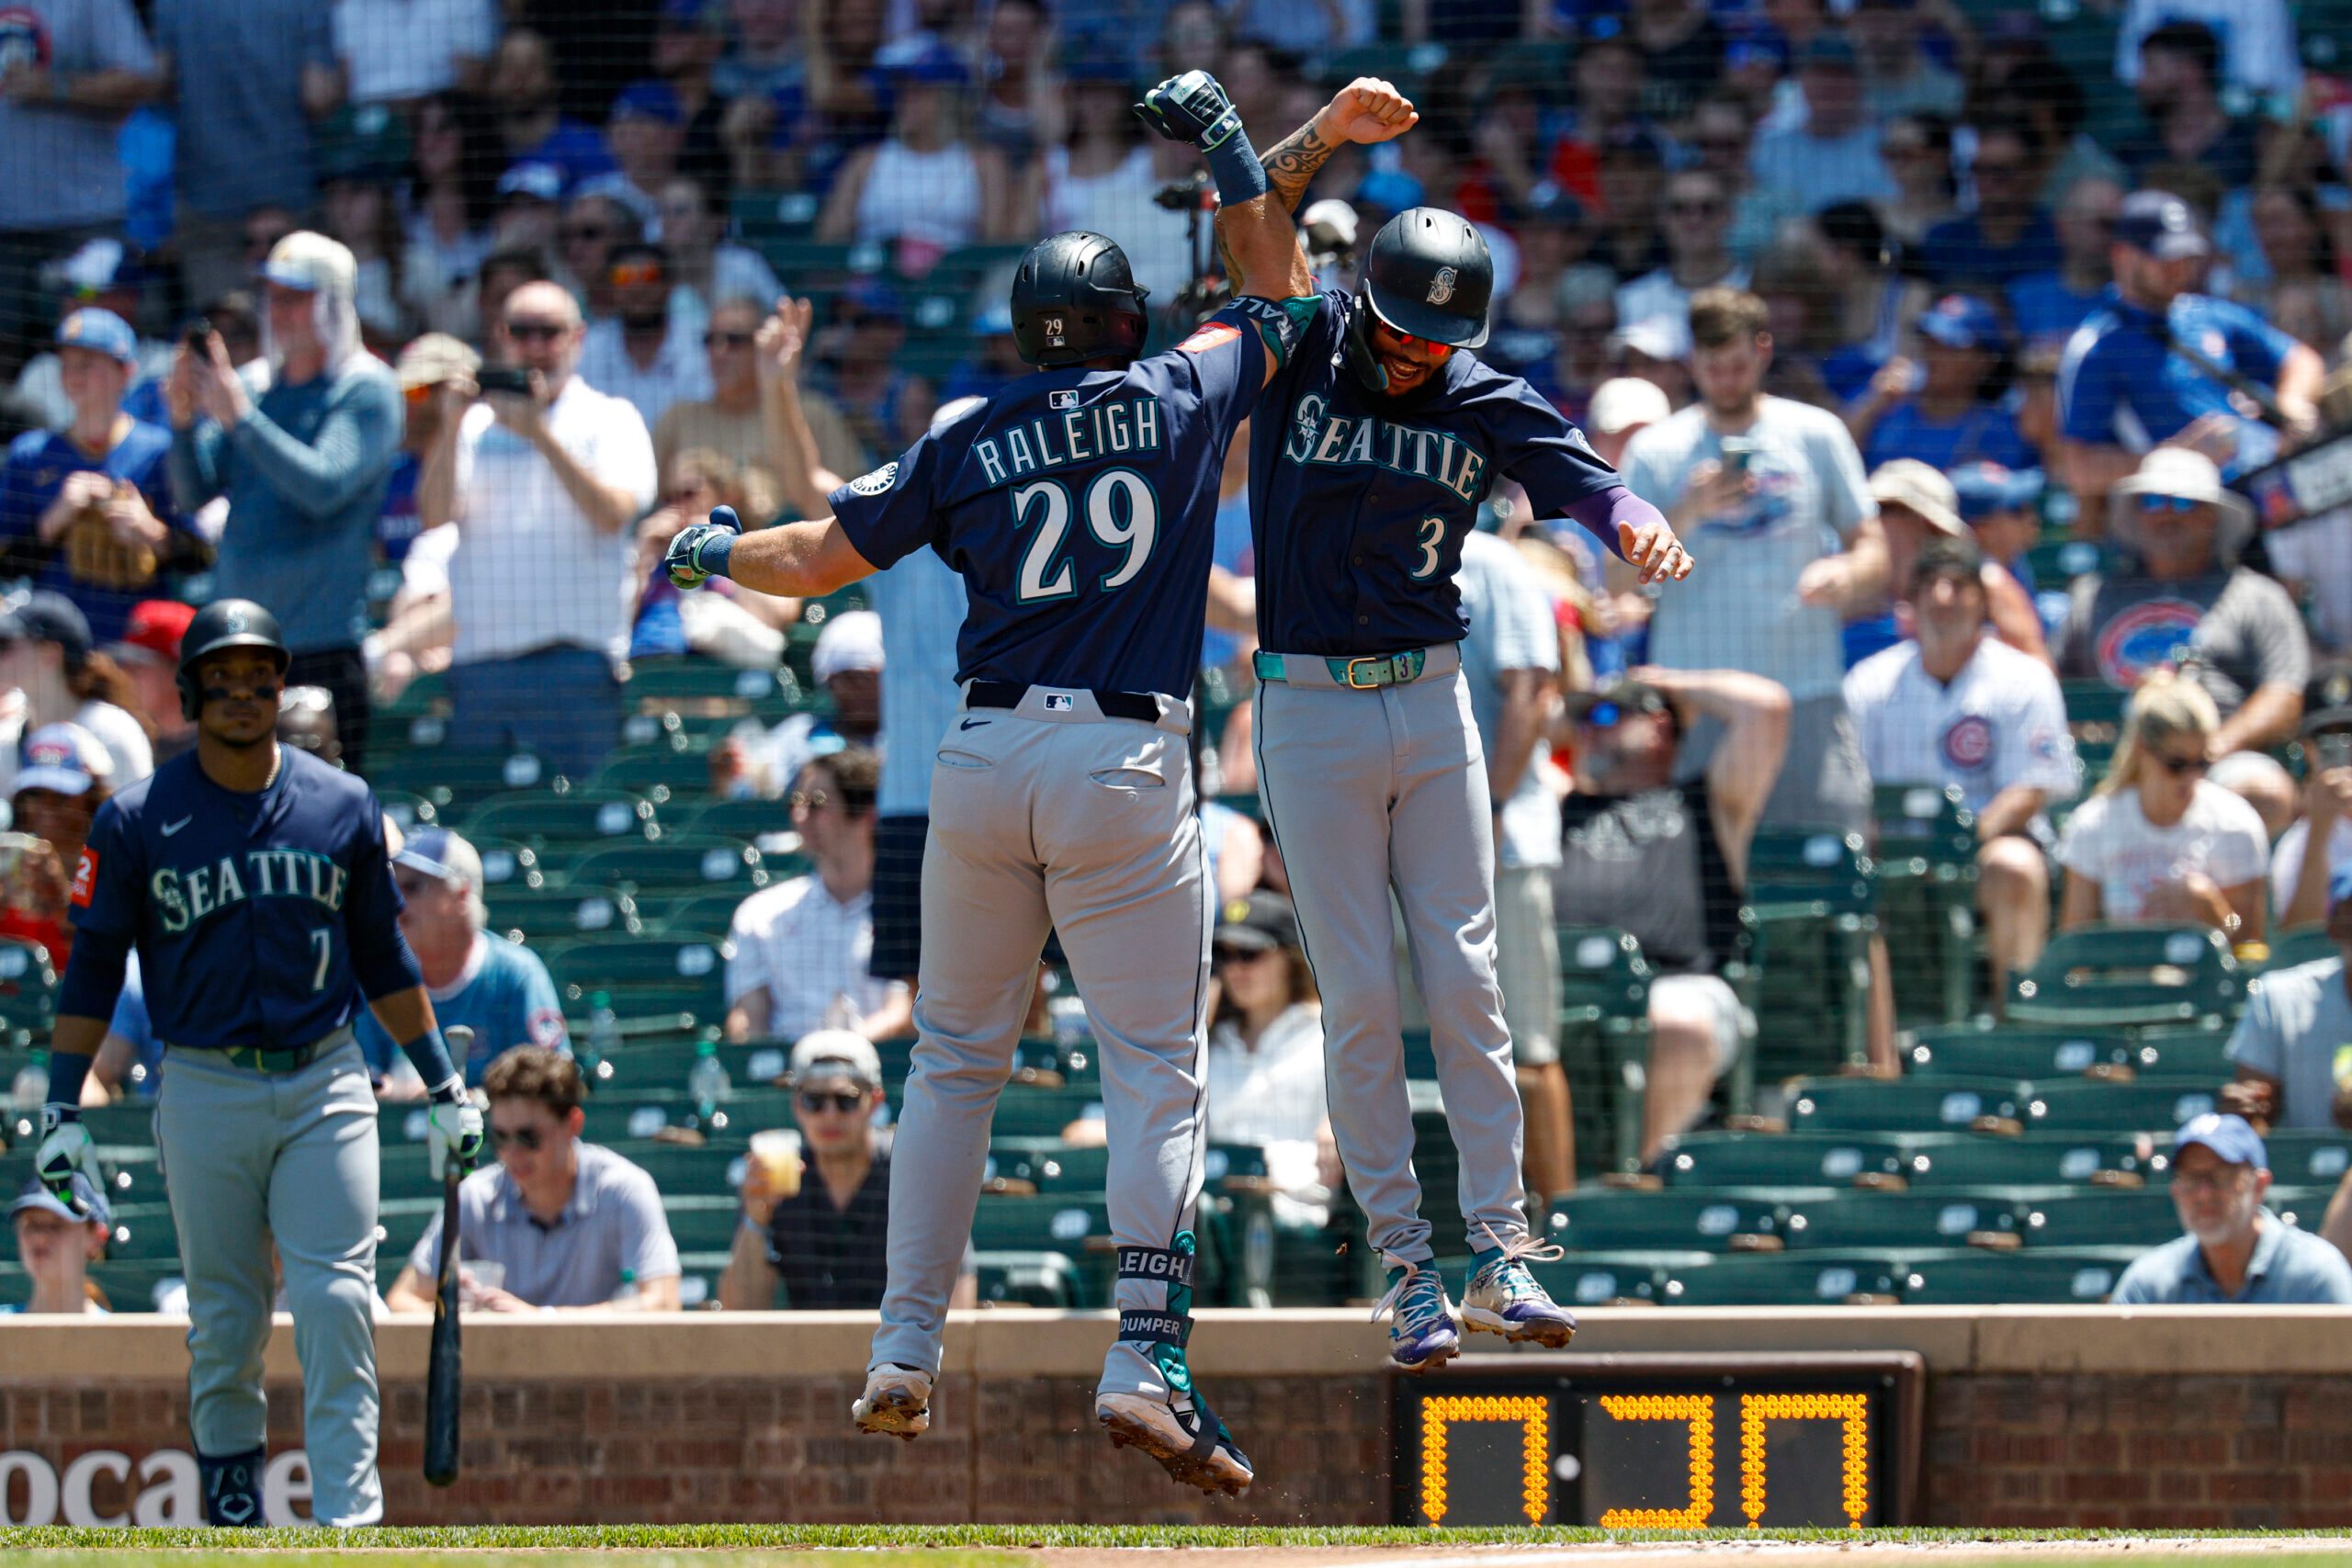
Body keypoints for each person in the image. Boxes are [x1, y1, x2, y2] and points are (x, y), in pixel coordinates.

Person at [662, 68, 1385, 1496]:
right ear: (1125, 322)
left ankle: (904, 1343)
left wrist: (706, 551)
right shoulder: (1181, 387)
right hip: (1124, 756)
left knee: (949, 1064)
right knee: (1152, 1071)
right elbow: (1272, 278)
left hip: (981, 758)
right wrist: (1237, 142)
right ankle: (1145, 1352)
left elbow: (813, 560)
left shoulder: (967, 429)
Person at [1238, 93, 1691, 1370]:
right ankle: (1408, 1272)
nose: (1421, 353)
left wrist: (1632, 520)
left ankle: (1503, 1251)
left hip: (1435, 696)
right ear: (1367, 300)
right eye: (1406, 328)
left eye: (1443, 336)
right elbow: (1251, 215)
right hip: (1310, 701)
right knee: (1365, 1001)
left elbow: (1587, 477)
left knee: (1472, 984)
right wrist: (1325, 130)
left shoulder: (1480, 388)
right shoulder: (1305, 339)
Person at [33, 599, 482, 1527]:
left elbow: (384, 956)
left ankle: (348, 1520)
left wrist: (442, 1079)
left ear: (282, 686)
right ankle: (233, 1516)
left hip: (325, 1078)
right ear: (191, 691)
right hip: (201, 1082)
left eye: (259, 675)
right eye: (222, 676)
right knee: (227, 1320)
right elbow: (89, 971)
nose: (242, 691)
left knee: (335, 1301)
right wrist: (60, 1109)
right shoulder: (134, 820)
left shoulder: (341, 804)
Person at [1622, 287, 1883, 834]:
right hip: (1700, 706)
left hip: (1805, 693)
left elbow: (1873, 547)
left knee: (1835, 857)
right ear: (1692, 361)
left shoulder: (1816, 433)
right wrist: (1684, 513)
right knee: (1707, 882)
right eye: (1712, 366)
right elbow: (1618, 580)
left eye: (1738, 364)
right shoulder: (1655, 450)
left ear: (1763, 350)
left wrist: (1848, 572)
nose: (1725, 379)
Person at [168, 232, 402, 771]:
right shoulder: (250, 385)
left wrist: (240, 417)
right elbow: (192, 492)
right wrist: (183, 422)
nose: (281, 312)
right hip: (235, 650)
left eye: (296, 298)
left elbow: (322, 487)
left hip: (320, 649)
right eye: (273, 297)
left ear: (334, 306)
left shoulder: (366, 389)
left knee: (320, 824)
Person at [417, 280, 657, 781]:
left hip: (573, 664)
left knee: (574, 829)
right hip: (481, 666)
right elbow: (434, 515)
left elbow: (614, 513)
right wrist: (449, 425)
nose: (534, 347)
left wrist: (540, 436)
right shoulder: (474, 425)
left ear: (578, 338)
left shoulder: (610, 417)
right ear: (501, 337)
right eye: (521, 332)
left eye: (549, 333)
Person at [1556, 669, 1786, 1160]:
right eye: (1584, 719)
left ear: (1660, 727)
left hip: (1676, 985)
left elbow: (1767, 709)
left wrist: (1663, 682)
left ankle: (1631, 1183)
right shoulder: (1553, 806)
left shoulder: (1705, 805)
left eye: (1607, 714)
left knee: (1677, 1021)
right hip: (1561, 989)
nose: (1589, 729)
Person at [1845, 535, 2078, 999]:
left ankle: (2013, 1021)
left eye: (1958, 584)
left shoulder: (2024, 678)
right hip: (1893, 853)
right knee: (1846, 872)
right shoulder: (1869, 682)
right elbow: (1850, 791)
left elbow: (2031, 789)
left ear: (1984, 601)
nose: (1942, 597)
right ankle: (1874, 1046)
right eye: (1929, 584)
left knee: (2015, 866)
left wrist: (1959, 844)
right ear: (1909, 601)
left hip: (1985, 849)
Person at [2053, 446, 2307, 833]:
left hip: (2215, 764)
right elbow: (2047, 684)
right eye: (2154, 502)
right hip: (2106, 761)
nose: (2168, 515)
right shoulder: (2092, 596)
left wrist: (2206, 752)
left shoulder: (2256, 596)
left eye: (2185, 503)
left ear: (2212, 517)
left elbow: (2284, 694)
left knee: (2265, 792)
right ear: (2136, 515)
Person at [2055, 189, 2324, 515]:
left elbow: (2302, 360)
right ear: (2123, 256)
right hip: (2188, 511)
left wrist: (2291, 405)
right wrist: (2175, 459)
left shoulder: (2206, 313)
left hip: (2273, 484)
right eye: (2165, 257)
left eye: (2185, 256)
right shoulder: (2096, 347)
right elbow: (2078, 469)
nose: (2179, 268)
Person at [1456, 527, 1572, 1204]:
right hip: (1404, 849)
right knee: (1417, 1057)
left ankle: (1559, 1231)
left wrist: (1492, 805)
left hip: (1504, 842)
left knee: (1526, 1048)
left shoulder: (1494, 562)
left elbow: (1532, 686)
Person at [385, 1045, 679, 1314]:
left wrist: (540, 1321)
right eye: (500, 1137)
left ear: (573, 1124)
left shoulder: (624, 1189)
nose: (511, 1153)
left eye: (529, 1138)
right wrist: (461, 1317)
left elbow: (664, 1303)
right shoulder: (474, 1196)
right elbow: (401, 1301)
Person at [718, 1031, 978, 1311]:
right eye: (814, 1101)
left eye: (846, 1100)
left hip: (898, 1351)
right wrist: (756, 1218)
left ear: (874, 1102)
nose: (830, 1115)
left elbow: (955, 1303)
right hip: (809, 1350)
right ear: (797, 1105)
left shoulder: (913, 1173)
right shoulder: (778, 1178)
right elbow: (739, 1312)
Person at [0, 0, 162, 382]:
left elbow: (142, 79)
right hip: (5, 226)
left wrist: (55, 87)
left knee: (95, 352)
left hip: (84, 220)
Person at [0, 308, 183, 643]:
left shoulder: (160, 451)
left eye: (87, 364)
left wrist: (150, 531)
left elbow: (200, 559)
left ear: (126, 372)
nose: (73, 376)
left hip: (140, 644)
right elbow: (7, 565)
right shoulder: (31, 454)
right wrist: (53, 520)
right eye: (66, 364)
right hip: (56, 646)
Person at [151, 0, 337, 311]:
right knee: (297, 321)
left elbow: (158, 80)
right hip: (287, 194)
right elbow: (317, 94)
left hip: (208, 195)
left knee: (224, 329)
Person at [2055, 671, 2268, 942]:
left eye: (2202, 763)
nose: (2192, 778)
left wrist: (2209, 906)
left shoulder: (2236, 825)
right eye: (2176, 764)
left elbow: (2247, 941)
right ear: (2143, 751)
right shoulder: (2093, 826)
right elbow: (2076, 945)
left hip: (2207, 982)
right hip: (2126, 978)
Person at [356, 828, 567, 1094]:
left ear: (462, 894)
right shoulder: (373, 975)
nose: (395, 902)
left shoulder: (516, 974)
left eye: (411, 887)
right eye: (388, 887)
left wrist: (464, 1097)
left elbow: (550, 1085)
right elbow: (355, 1080)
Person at [721, 748, 909, 1043]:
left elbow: (904, 1011)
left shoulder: (907, 908)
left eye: (816, 803)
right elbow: (749, 1018)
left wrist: (836, 1055)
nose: (799, 815)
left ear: (866, 815)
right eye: (795, 802)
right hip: (788, 1080)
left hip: (881, 1075)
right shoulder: (761, 913)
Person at [2109, 1114, 2352, 1304]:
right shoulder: (2150, 1285)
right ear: (2175, 1190)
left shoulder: (2314, 1274)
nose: (2204, 1194)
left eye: (2222, 1175)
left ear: (2259, 1185)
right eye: (2191, 1178)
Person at [1204, 892, 1329, 1179]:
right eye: (1225, 955)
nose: (1234, 970)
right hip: (1214, 1213)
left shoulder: (1329, 1038)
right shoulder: (1206, 1047)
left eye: (1249, 954)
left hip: (1306, 1214)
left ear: (1290, 957)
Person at [2224, 870, 2352, 1133]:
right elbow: (2258, 1114)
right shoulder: (2280, 996)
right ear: (2332, 927)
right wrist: (2249, 1110)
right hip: (2302, 1170)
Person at [1850, 294, 2032, 474]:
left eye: (1950, 348)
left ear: (1983, 363)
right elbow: (1837, 461)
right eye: (1931, 344)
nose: (1934, 356)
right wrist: (1873, 404)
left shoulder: (2000, 431)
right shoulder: (1887, 410)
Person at [0, 590, 153, 791]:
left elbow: (137, 818)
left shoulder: (114, 732)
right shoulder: (6, 738)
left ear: (50, 653)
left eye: (4, 645)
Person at [725, 609, 882, 800]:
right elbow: (754, 789)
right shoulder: (797, 736)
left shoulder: (909, 741)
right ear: (829, 682)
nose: (864, 689)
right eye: (851, 678)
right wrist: (731, 779)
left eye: (873, 677)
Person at [1, 721, 117, 968]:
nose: (46, 808)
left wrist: (63, 903)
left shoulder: (115, 862)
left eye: (62, 795)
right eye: (35, 794)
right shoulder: (10, 869)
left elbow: (110, 954)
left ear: (91, 799)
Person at [1747, 34, 1896, 215]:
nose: (1829, 85)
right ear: (1801, 80)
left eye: (1839, 75)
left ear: (1860, 82)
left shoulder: (1889, 145)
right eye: (1820, 74)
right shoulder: (1767, 146)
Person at [577, 243, 709, 431]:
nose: (637, 287)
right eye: (624, 277)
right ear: (609, 289)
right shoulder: (588, 350)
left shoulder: (700, 344)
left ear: (670, 286)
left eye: (649, 276)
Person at [2272, 674, 2352, 929]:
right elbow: (2301, 939)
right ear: (2307, 749)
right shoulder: (2298, 844)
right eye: (2325, 741)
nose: (2341, 752)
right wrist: (2320, 828)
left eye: (2350, 736)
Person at [103, 598, 196, 765]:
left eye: (137, 668)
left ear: (180, 671)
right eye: (123, 666)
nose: (125, 676)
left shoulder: (224, 745)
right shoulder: (124, 743)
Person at [3, 1171, 110, 1314]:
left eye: (57, 1225)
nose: (40, 1236)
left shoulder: (123, 1335)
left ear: (97, 1237)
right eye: (31, 1225)